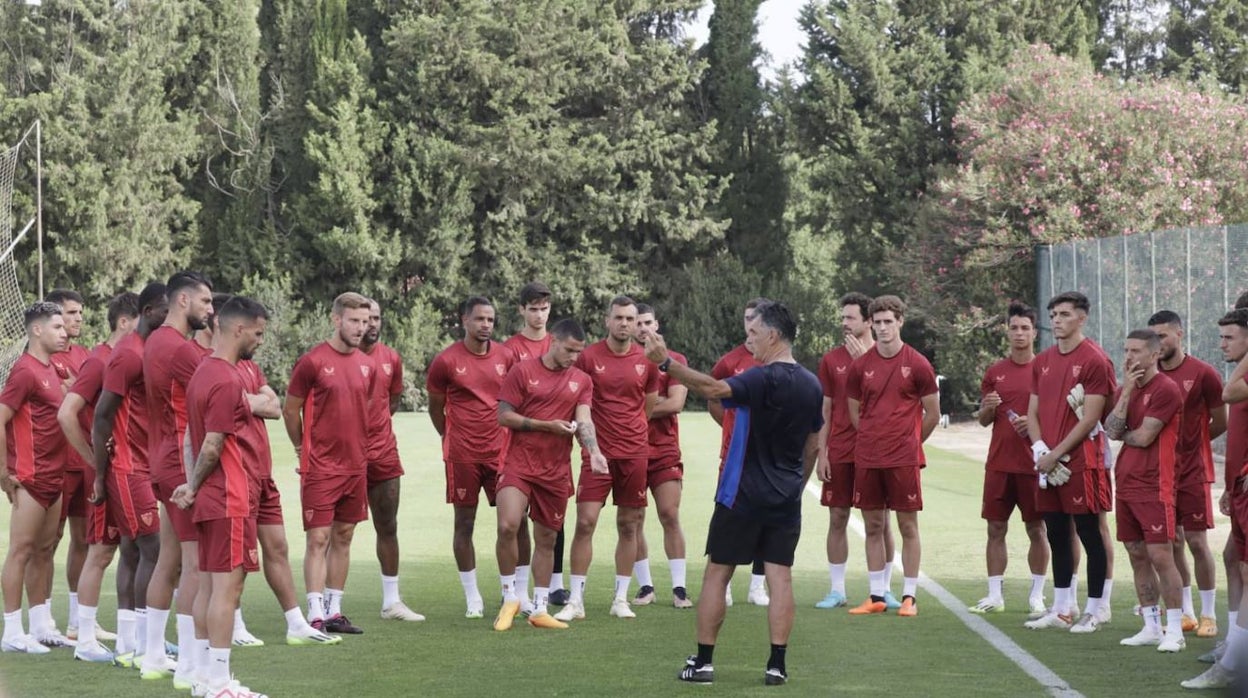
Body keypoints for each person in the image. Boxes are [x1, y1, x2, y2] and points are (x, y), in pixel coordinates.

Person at [643, 301, 821, 686]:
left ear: (773, 336)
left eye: (754, 333)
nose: (748, 339)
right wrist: (797, 485)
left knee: (717, 574)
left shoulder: (761, 378)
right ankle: (777, 665)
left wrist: (665, 363)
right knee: (780, 578)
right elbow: (813, 444)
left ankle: (703, 663)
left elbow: (712, 388)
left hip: (740, 494)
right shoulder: (811, 383)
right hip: (785, 499)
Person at [172, 295, 271, 698]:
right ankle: (218, 683)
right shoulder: (227, 378)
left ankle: (201, 677)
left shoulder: (202, 372)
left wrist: (191, 484)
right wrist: (193, 484)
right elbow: (212, 444)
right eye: (258, 333)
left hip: (212, 498)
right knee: (227, 591)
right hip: (229, 496)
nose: (260, 342)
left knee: (210, 588)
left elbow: (189, 438)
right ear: (238, 329)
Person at [493, 318, 607, 631]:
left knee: (546, 538)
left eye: (579, 352)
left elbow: (584, 420)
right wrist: (546, 425)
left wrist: (594, 452)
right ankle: (510, 598)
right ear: (553, 341)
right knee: (507, 525)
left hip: (555, 470)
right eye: (570, 350)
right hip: (519, 463)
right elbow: (504, 416)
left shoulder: (581, 380)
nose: (574, 357)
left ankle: (540, 608)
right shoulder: (523, 371)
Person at [233, 321, 340, 648]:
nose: (261, 340)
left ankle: (295, 623)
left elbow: (275, 407)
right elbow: (245, 404)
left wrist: (252, 401)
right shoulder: (214, 366)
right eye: (257, 333)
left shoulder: (250, 366)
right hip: (237, 472)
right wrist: (255, 402)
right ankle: (234, 625)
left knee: (278, 547)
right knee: (236, 557)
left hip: (263, 472)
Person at [556, 296, 660, 622]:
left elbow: (648, 406)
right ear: (607, 320)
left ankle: (620, 598)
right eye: (619, 318)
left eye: (630, 318)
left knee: (629, 525)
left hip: (634, 453)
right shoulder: (587, 357)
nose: (625, 324)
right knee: (585, 521)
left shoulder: (647, 361)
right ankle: (575, 600)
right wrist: (593, 445)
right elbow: (577, 401)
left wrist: (631, 435)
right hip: (597, 454)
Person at [283, 292, 373, 635]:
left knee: (345, 536)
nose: (360, 328)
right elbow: (291, 410)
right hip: (321, 468)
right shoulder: (313, 361)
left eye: (365, 322)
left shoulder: (367, 364)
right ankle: (316, 613)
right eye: (353, 321)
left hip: (355, 467)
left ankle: (335, 610)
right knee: (318, 539)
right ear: (336, 320)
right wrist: (299, 448)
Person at [845, 295, 940, 617]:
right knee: (873, 525)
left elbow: (932, 413)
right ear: (871, 323)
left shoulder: (918, 364)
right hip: (869, 457)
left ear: (900, 322)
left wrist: (910, 443)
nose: (883, 327)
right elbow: (855, 412)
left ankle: (910, 597)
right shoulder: (861, 366)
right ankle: (876, 596)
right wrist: (874, 437)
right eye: (878, 322)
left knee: (908, 526)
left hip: (903, 459)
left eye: (889, 321)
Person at [1024, 291, 1113, 634]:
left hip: (1081, 462)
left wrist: (1056, 453)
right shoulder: (1043, 360)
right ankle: (1062, 607)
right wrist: (1039, 448)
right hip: (1048, 461)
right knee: (1057, 532)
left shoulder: (1094, 359)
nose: (1057, 320)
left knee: (1090, 533)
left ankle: (1095, 609)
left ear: (1082, 318)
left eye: (1064, 314)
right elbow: (1033, 411)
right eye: (1054, 314)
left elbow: (1090, 418)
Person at [428, 296, 521, 618]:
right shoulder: (446, 360)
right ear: (464, 321)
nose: (485, 325)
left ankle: (514, 592)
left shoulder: (506, 356)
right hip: (463, 454)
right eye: (479, 319)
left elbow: (516, 400)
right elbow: (435, 407)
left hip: (502, 454)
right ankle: (473, 598)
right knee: (464, 523)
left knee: (514, 522)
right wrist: (451, 436)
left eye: (490, 320)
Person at [141, 271, 214, 680]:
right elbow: (224, 390)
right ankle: (189, 666)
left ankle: (153, 655)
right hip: (179, 463)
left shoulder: (156, 342)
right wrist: (257, 397)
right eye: (205, 301)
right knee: (195, 565)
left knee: (169, 559)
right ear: (183, 301)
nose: (209, 309)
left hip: (160, 458)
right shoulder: (181, 349)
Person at [91, 282, 169, 666]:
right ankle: (145, 645)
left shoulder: (146, 350)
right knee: (154, 550)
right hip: (128, 468)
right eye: (167, 312)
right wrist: (98, 475)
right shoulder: (129, 354)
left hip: (142, 464)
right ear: (152, 311)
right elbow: (102, 415)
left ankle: (128, 643)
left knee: (132, 551)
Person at [58, 292, 138, 662]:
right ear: (125, 321)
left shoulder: (124, 359)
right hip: (103, 476)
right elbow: (66, 413)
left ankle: (131, 639)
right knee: (100, 552)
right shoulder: (99, 362)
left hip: (122, 472)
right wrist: (92, 461)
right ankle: (85, 639)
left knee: (127, 550)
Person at [814, 292, 900, 609]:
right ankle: (837, 590)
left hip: (877, 451)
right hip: (839, 450)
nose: (845, 324)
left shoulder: (886, 358)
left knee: (880, 522)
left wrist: (866, 359)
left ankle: (884, 588)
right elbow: (825, 410)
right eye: (843, 318)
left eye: (851, 318)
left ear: (868, 321)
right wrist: (822, 452)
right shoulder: (831, 360)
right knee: (837, 517)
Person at [968, 302, 1049, 616]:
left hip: (1034, 465)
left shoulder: (1044, 369)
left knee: (1037, 530)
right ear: (1007, 330)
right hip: (999, 464)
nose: (1019, 333)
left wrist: (1034, 424)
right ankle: (994, 595)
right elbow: (985, 420)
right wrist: (987, 407)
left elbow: (1056, 418)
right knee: (995, 529)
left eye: (1025, 328)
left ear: (1033, 332)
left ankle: (1037, 596)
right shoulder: (995, 372)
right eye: (1014, 327)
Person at [1107, 329, 1185, 653]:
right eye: (1126, 350)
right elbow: (1113, 430)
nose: (1129, 357)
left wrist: (1126, 432)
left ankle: (1176, 630)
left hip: (1154, 484)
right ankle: (1151, 626)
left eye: (1136, 351)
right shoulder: (1126, 389)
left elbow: (1142, 437)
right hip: (1125, 484)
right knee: (1136, 553)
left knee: (1160, 555)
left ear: (1154, 355)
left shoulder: (1167, 389)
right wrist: (1125, 392)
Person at [1183, 308, 1248, 689]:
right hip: (1239, 487)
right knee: (1233, 559)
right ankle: (1232, 647)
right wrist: (1229, 485)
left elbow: (1227, 394)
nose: (1221, 343)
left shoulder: (1239, 377)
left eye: (1229, 337)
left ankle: (1233, 664)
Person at [1151, 310, 1225, 638]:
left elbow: (1220, 420)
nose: (1159, 342)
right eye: (1154, 336)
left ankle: (1209, 614)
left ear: (1180, 334)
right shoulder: (1148, 374)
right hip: (1159, 472)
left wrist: (1195, 445)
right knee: (1172, 541)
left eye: (1164, 335)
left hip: (1193, 471)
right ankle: (1185, 613)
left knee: (1196, 540)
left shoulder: (1203, 373)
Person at [0, 302, 69, 654]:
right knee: (21, 551)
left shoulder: (53, 368)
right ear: (37, 330)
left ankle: (41, 625)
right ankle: (12, 630)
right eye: (57, 326)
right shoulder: (25, 371)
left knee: (44, 551)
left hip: (55, 476)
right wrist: (2, 471)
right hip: (29, 477)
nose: (64, 331)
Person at [503, 282, 568, 604]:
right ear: (521, 311)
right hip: (520, 448)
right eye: (533, 309)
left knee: (553, 520)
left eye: (544, 309)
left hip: (556, 451)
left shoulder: (561, 345)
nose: (539, 315)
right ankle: (517, 590)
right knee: (514, 521)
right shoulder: (511, 350)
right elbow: (503, 401)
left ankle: (554, 584)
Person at [359, 299, 423, 621]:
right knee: (332, 532)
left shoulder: (391, 359)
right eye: (365, 318)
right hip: (344, 456)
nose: (371, 324)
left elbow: (392, 401)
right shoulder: (338, 358)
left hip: (383, 453)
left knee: (388, 525)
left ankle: (391, 602)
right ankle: (325, 607)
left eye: (376, 318)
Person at [709, 299, 770, 606]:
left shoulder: (775, 358)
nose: (750, 324)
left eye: (756, 319)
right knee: (728, 514)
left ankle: (757, 586)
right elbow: (712, 395)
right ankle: (726, 583)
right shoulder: (731, 360)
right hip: (734, 456)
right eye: (747, 318)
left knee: (766, 517)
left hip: (767, 456)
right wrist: (731, 428)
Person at [631, 303, 692, 609]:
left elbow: (676, 404)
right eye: (637, 323)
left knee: (669, 513)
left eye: (647, 322)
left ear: (657, 324)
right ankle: (645, 587)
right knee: (635, 519)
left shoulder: (674, 361)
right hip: (631, 450)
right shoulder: (626, 362)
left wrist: (632, 410)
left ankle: (679, 588)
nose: (642, 328)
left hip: (665, 450)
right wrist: (657, 404)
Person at [44, 288, 89, 640]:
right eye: (71, 313)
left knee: (85, 539)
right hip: (55, 464)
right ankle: (42, 619)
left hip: (85, 463)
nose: (76, 320)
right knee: (47, 542)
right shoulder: (44, 360)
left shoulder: (85, 355)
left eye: (79, 314)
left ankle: (78, 620)